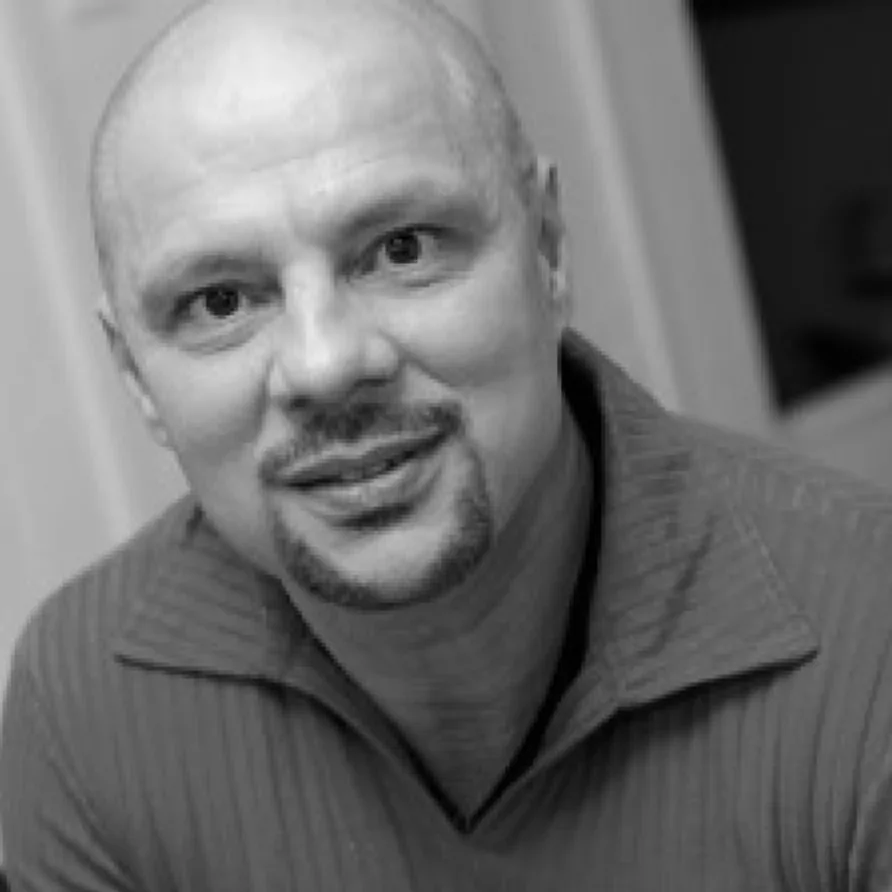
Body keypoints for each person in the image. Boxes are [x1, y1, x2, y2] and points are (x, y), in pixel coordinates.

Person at [2, 0, 892, 888]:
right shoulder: (84, 704)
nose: (325, 364)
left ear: (547, 250)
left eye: (401, 248)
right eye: (221, 302)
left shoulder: (869, 641)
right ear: (135, 375)